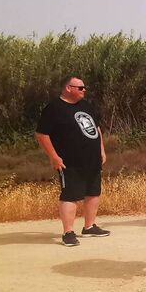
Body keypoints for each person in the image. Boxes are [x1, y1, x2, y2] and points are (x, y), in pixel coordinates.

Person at [34, 75, 109, 247]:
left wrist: (101, 150)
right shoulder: (54, 108)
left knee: (93, 192)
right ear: (68, 88)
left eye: (84, 88)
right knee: (71, 195)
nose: (84, 90)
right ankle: (68, 232)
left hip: (92, 158)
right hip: (69, 161)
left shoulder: (85, 105)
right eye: (80, 88)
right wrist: (53, 156)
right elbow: (41, 134)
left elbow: (96, 128)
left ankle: (89, 227)